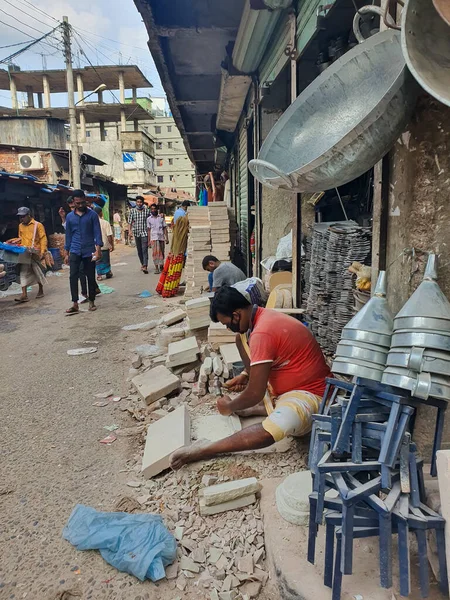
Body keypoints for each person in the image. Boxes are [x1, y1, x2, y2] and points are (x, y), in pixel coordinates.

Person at [170, 286, 331, 469]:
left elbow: (255, 392)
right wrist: (246, 375)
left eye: (227, 323)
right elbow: (262, 364)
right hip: (284, 387)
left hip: (313, 393)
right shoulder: (258, 320)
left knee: (276, 427)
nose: (229, 328)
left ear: (236, 315)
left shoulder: (262, 332)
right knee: (241, 340)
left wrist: (230, 406)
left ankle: (206, 449)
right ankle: (256, 409)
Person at [64, 189, 103, 314]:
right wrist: (66, 253)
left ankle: (91, 301)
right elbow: (68, 235)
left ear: (85, 201)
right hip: (75, 250)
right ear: (73, 203)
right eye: (77, 203)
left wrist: (98, 250)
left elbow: (97, 233)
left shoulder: (92, 215)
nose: (80, 205)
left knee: (90, 276)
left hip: (89, 250)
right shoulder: (69, 217)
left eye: (82, 203)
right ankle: (75, 303)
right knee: (73, 276)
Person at [14, 207, 47, 303]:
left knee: (37, 271)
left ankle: (41, 289)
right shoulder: (20, 226)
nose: (21, 219)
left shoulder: (38, 225)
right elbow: (21, 237)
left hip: (35, 252)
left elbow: (43, 238)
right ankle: (24, 295)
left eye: (23, 216)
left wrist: (42, 251)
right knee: (23, 272)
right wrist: (15, 242)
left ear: (29, 215)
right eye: (20, 217)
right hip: (24, 251)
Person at [128, 196, 151, 273]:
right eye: (138, 202)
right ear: (136, 202)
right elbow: (130, 222)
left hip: (144, 232)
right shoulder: (132, 211)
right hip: (136, 233)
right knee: (139, 250)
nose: (139, 203)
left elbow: (150, 220)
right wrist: (130, 231)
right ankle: (142, 263)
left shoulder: (147, 211)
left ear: (143, 203)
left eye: (140, 202)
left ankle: (145, 265)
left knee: (145, 249)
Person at [93, 206, 114, 280]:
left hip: (95, 246)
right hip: (104, 245)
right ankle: (108, 272)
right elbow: (109, 235)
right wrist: (111, 245)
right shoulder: (105, 223)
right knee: (106, 260)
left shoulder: (91, 223)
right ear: (101, 213)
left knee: (98, 261)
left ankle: (99, 275)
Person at [147, 203, 169, 274]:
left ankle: (161, 266)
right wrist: (148, 241)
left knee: (162, 252)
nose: (153, 210)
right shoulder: (149, 219)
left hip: (161, 238)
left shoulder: (161, 218)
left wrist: (167, 238)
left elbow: (165, 228)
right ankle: (156, 268)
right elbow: (149, 230)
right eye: (152, 209)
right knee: (155, 253)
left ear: (157, 209)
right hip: (153, 238)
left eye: (154, 209)